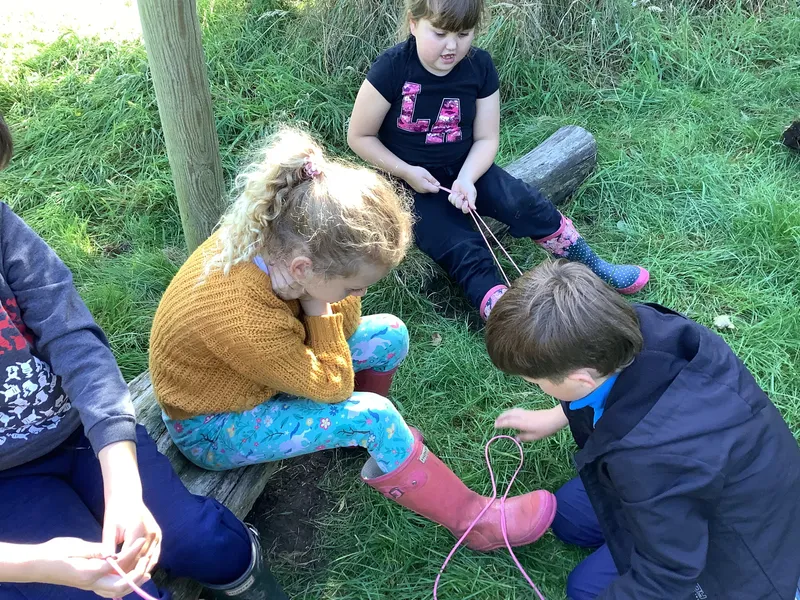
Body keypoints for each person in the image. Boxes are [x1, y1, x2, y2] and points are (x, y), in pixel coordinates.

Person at [148, 128, 556, 552]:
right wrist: (316, 306)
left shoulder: (278, 240)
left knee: (390, 335)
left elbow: (342, 329)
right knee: (373, 415)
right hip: (215, 421)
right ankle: (475, 522)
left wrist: (322, 301)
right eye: (350, 288)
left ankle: (353, 442)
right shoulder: (245, 316)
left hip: (263, 372)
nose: (356, 296)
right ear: (304, 269)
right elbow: (333, 386)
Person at [0, 115, 287, 600]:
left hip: (80, 435)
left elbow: (73, 338)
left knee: (202, 542)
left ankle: (251, 578)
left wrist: (123, 482)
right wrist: (37, 564)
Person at [486, 259, 800, 600]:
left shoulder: (646, 461)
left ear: (581, 379)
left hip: (745, 550)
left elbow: (667, 576)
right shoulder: (638, 328)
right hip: (731, 478)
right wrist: (556, 415)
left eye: (535, 381)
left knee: (585, 589)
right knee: (569, 519)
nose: (536, 385)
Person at [347, 0, 649, 322]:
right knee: (461, 244)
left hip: (467, 168)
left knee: (524, 202)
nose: (452, 46)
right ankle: (507, 319)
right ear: (413, 23)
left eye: (464, 34)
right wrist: (406, 172)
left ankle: (591, 266)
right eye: (439, 33)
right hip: (409, 184)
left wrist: (466, 178)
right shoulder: (393, 67)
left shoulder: (479, 67)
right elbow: (360, 136)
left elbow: (486, 139)